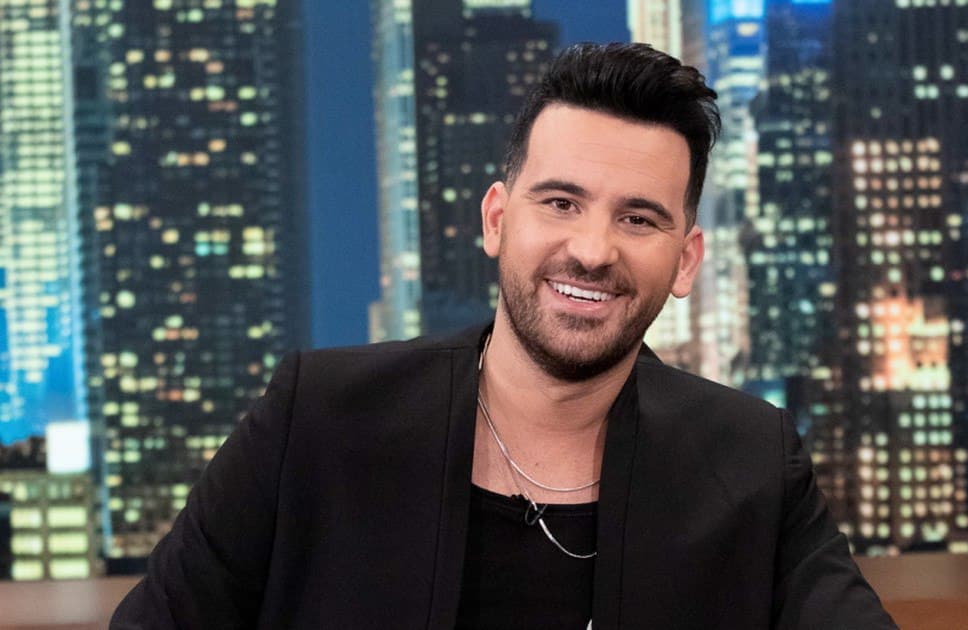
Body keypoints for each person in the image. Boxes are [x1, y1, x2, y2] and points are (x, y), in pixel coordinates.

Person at [111, 42, 895, 629]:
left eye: (638, 218)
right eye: (560, 203)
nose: (593, 249)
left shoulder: (753, 461)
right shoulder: (315, 416)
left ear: (686, 260)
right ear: (496, 219)